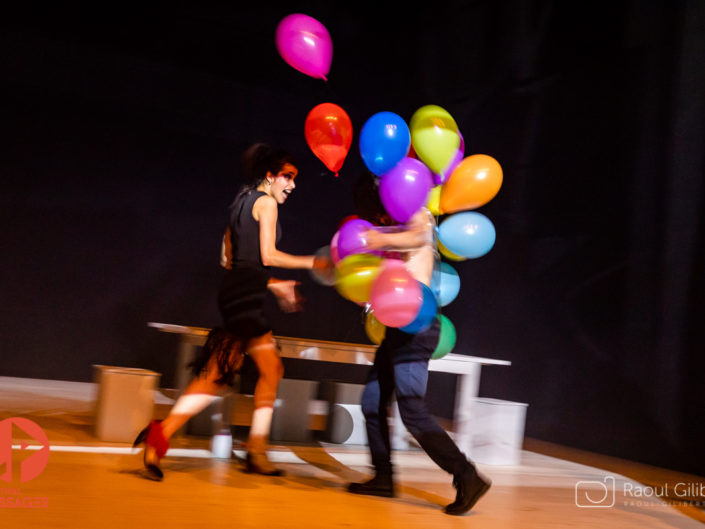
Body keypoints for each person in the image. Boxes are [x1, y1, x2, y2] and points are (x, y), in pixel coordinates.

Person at [134, 143, 331, 479]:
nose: (292, 185)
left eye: (294, 178)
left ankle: (255, 449)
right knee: (217, 378)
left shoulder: (241, 202)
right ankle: (163, 434)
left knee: (268, 370)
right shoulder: (267, 203)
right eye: (287, 176)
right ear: (269, 176)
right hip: (244, 298)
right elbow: (267, 256)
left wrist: (272, 285)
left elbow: (229, 260)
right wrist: (313, 262)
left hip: (239, 294)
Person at [346, 172, 491, 515]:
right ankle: (383, 477)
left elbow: (417, 237)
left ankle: (467, 475)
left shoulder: (417, 213)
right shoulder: (389, 225)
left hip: (418, 323)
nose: (379, 219)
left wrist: (375, 238)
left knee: (412, 410)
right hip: (397, 326)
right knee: (371, 401)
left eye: (379, 211)